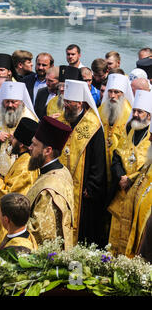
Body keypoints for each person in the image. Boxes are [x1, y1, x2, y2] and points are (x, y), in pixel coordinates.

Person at [0, 117, 39, 262]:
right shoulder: (21, 159)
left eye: (14, 138)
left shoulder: (25, 166)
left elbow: (11, 197)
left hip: (10, 222)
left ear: (22, 144)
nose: (11, 141)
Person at [57, 79, 107, 247]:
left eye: (69, 102)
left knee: (83, 229)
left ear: (80, 103)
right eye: (65, 101)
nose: (65, 105)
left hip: (84, 189)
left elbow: (99, 160)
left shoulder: (93, 125)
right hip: (62, 184)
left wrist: (91, 186)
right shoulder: (64, 119)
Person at [107, 90, 152, 256]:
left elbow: (147, 168)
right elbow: (117, 155)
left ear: (149, 115)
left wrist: (130, 179)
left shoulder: (150, 136)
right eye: (134, 111)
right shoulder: (131, 130)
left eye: (140, 112)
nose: (136, 115)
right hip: (121, 191)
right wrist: (121, 177)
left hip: (136, 192)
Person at [26, 116, 74, 249]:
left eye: (34, 144)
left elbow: (42, 232)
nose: (29, 148)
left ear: (48, 151)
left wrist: (14, 223)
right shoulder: (63, 170)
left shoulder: (49, 188)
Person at [0, 81, 38, 177]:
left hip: (21, 171)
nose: (9, 105)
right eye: (7, 101)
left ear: (21, 102)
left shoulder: (30, 118)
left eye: (14, 102)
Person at [98, 73, 134, 186]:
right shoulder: (102, 109)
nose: (112, 96)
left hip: (119, 166)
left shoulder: (130, 114)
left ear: (123, 94)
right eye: (110, 91)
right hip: (101, 163)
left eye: (116, 92)